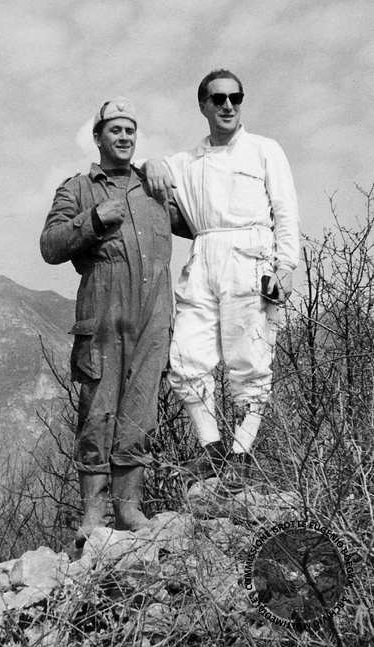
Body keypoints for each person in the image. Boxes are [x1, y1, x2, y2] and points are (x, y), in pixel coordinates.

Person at [40, 97, 189, 546]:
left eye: (130, 130)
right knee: (98, 410)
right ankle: (93, 512)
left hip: (153, 314)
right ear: (98, 137)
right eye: (115, 130)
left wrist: (165, 168)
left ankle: (128, 506)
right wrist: (92, 219)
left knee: (141, 410)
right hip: (103, 314)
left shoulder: (155, 186)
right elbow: (50, 246)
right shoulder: (78, 189)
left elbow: (206, 220)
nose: (124, 137)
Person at [144, 70, 300, 491]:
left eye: (236, 97)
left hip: (251, 258)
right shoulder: (188, 161)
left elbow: (285, 210)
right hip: (204, 256)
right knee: (186, 357)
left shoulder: (265, 150)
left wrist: (285, 266)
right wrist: (152, 163)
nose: (228, 105)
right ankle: (212, 449)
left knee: (250, 362)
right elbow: (150, 171)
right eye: (218, 99)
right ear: (203, 105)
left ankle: (242, 454)